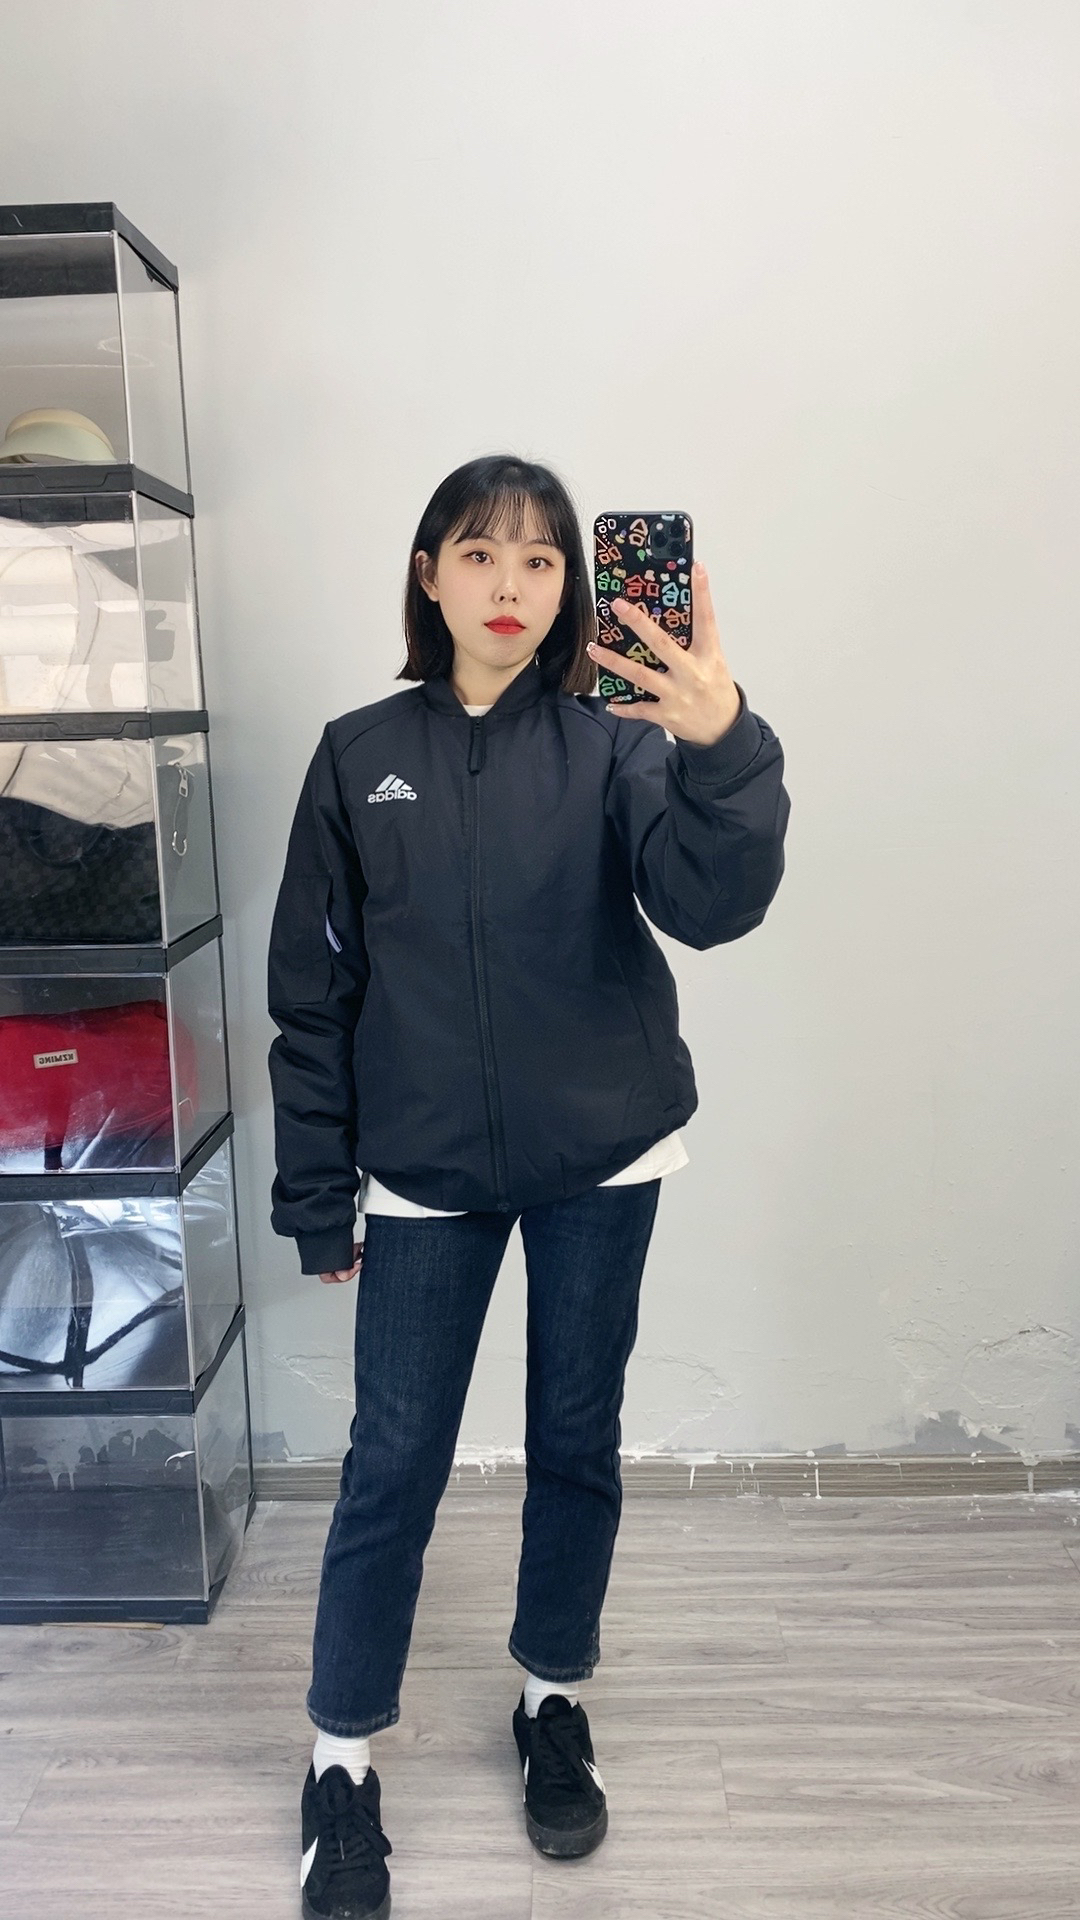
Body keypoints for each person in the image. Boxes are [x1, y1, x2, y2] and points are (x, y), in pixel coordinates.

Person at [266, 454, 790, 1920]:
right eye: (482, 553)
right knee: (393, 1461)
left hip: (601, 1155)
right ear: (429, 574)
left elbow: (713, 905)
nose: (511, 584)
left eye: (543, 559)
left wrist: (721, 745)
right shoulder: (357, 753)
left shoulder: (621, 746)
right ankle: (340, 1758)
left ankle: (552, 1698)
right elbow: (312, 992)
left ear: (575, 589)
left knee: (575, 1434)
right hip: (423, 1166)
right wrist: (317, 1191)